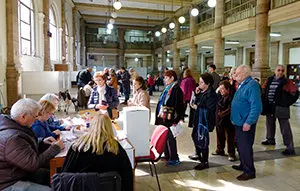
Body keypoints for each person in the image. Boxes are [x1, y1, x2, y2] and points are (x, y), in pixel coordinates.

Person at [0, 98, 64, 190]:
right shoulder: (12, 138)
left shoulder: (13, 125)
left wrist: (41, 141)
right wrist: (55, 148)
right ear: (23, 116)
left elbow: (22, 146)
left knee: (56, 177)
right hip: (9, 182)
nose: (36, 119)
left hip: (18, 171)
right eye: (35, 116)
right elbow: (33, 164)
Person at [61, 114, 133, 191]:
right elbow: (127, 178)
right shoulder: (116, 149)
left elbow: (64, 176)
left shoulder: (77, 147)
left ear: (91, 126)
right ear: (110, 128)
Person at [231, 65, 262, 181]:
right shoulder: (242, 85)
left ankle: (249, 171)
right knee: (240, 146)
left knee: (245, 147)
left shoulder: (252, 85)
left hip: (245, 122)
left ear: (245, 74)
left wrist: (249, 122)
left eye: (237, 73)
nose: (235, 75)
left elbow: (256, 106)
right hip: (239, 121)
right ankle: (243, 165)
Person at [261, 65, 299, 155]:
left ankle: (290, 147)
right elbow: (263, 90)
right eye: (278, 70)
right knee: (269, 124)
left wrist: (286, 102)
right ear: (275, 71)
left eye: (282, 70)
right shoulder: (269, 80)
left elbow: (295, 93)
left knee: (285, 128)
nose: (280, 72)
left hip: (281, 108)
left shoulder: (287, 82)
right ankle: (270, 139)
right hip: (270, 106)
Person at [155, 70, 184, 166]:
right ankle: (167, 155)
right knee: (165, 136)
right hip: (165, 116)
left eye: (166, 77)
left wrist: (177, 119)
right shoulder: (168, 88)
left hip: (171, 118)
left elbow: (180, 106)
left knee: (171, 137)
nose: (164, 79)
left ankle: (174, 158)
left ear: (172, 78)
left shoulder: (176, 89)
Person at [189, 73, 217, 170]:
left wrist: (198, 107)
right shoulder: (202, 92)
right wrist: (196, 95)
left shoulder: (211, 94)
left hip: (204, 121)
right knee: (194, 135)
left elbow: (210, 109)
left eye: (201, 82)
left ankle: (204, 161)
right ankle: (198, 153)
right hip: (198, 119)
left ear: (208, 83)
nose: (199, 84)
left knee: (203, 139)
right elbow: (198, 102)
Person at [213, 80, 236, 161]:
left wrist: (222, 113)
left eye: (223, 89)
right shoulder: (219, 96)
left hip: (228, 119)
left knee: (230, 137)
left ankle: (231, 153)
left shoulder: (232, 97)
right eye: (220, 89)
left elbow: (231, 108)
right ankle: (220, 150)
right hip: (219, 119)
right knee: (219, 135)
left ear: (228, 89)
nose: (221, 91)